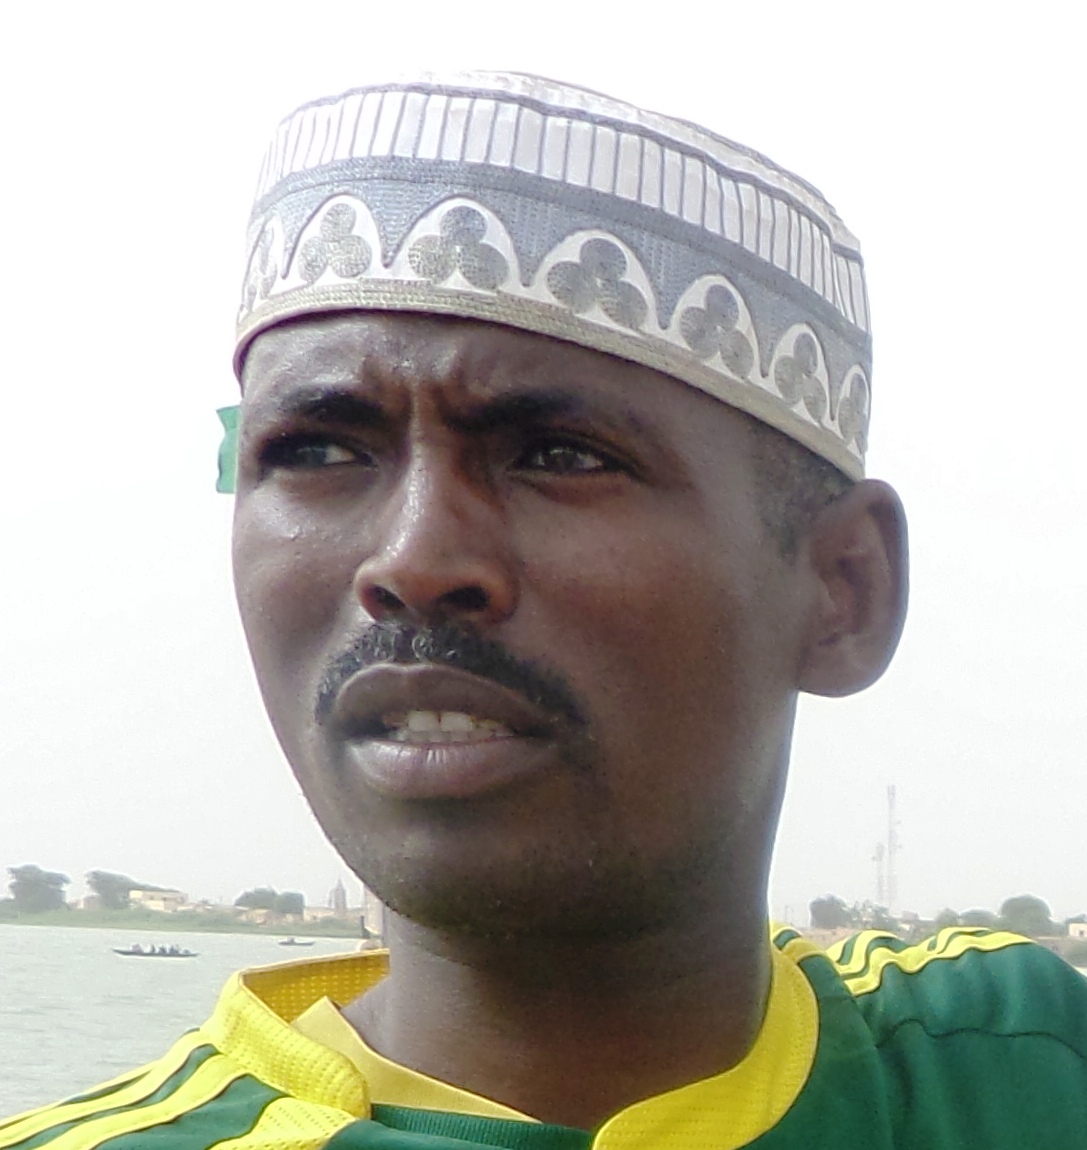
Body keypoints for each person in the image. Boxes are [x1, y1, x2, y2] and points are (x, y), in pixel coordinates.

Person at [4, 72, 1084, 1149]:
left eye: (560, 455)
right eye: (318, 450)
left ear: (845, 588)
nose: (412, 560)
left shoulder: (1014, 1065)